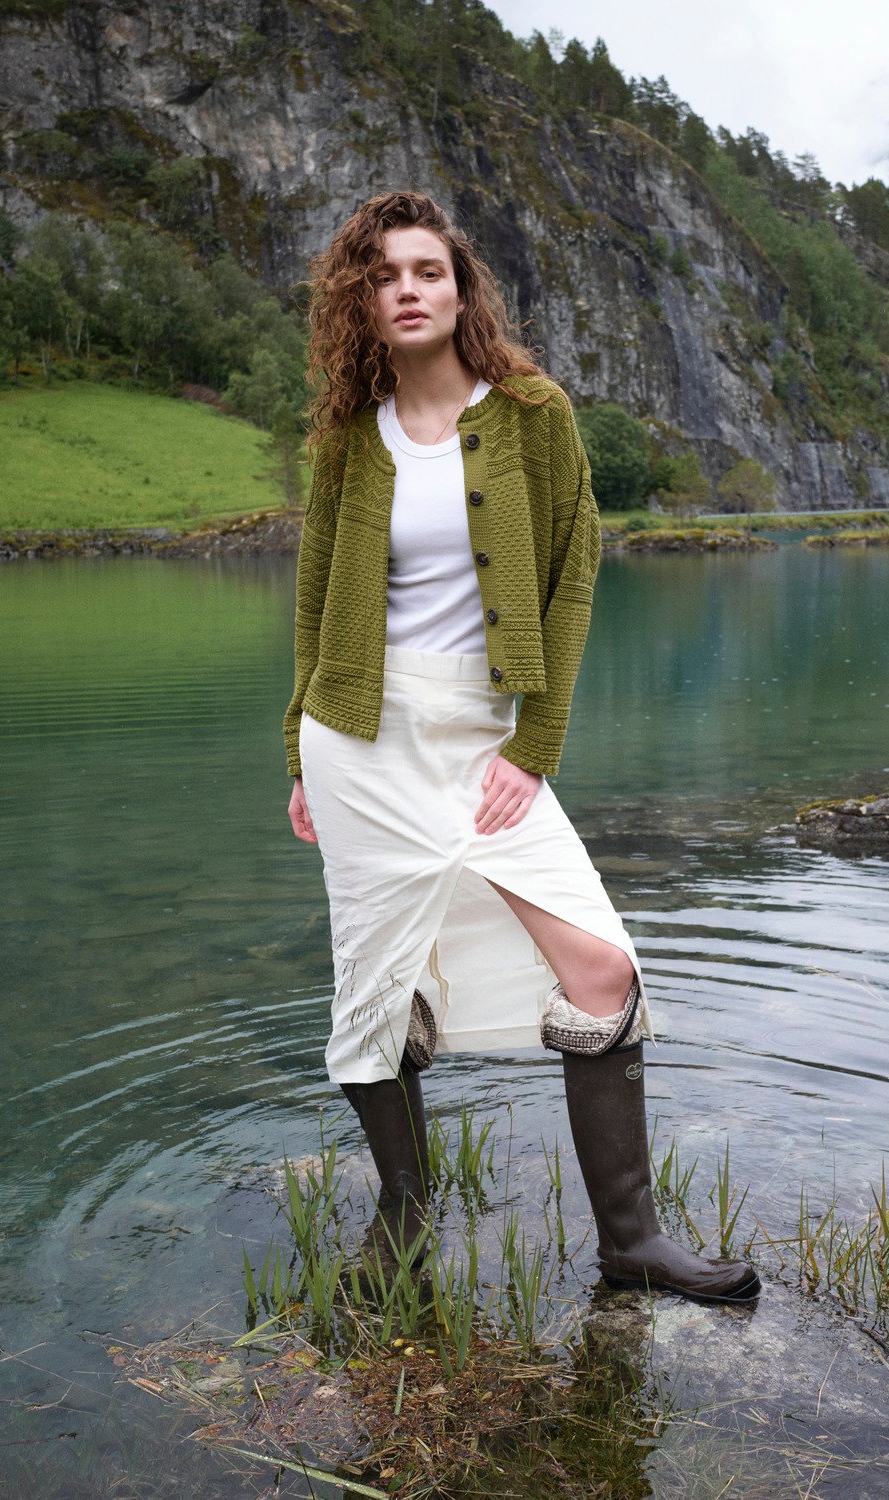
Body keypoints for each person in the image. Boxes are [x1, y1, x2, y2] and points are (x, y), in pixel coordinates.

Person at [283, 190, 758, 1305]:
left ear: (460, 292)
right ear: (360, 301)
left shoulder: (532, 414)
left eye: (426, 271)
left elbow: (572, 570)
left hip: (484, 731)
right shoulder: (351, 441)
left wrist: (534, 748)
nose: (406, 288)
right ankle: (403, 1222)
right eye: (383, 275)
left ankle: (630, 1245)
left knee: (599, 970)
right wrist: (296, 758)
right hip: (358, 736)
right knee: (377, 993)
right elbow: (312, 603)